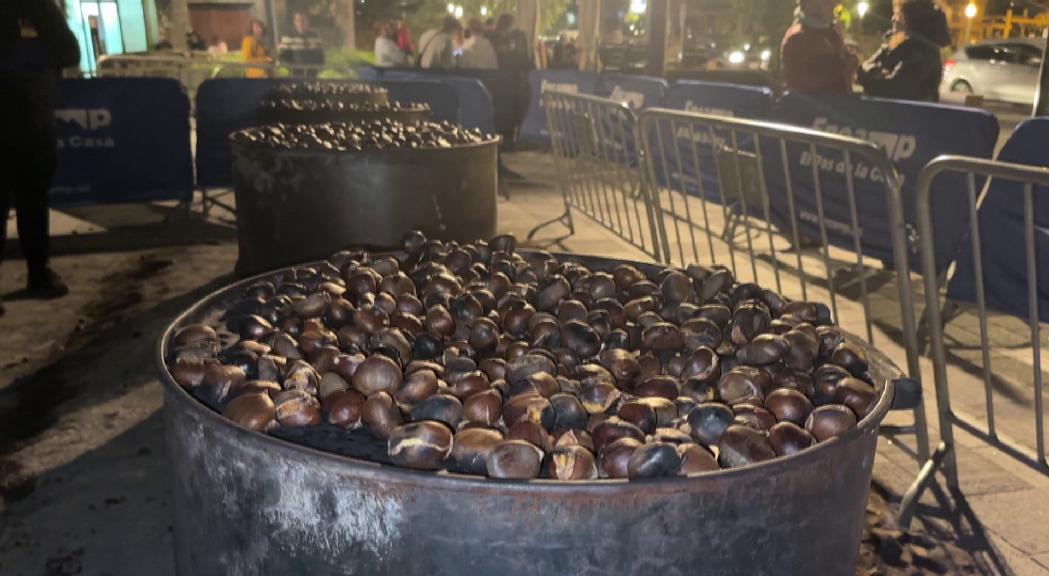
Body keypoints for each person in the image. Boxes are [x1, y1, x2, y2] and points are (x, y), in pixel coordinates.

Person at [1, 0, 81, 314]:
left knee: (33, 199)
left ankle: (39, 272)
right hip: (23, 118)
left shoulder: (40, 8)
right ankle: (39, 273)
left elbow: (69, 52)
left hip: (32, 120)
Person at [858, 0, 944, 102]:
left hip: (910, 114)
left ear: (912, 21)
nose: (893, 19)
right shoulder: (891, 46)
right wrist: (875, 72)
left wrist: (872, 74)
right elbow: (862, 69)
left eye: (899, 15)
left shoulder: (920, 51)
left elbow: (895, 88)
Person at [780, 0, 853, 95]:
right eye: (826, 2)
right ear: (809, 4)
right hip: (811, 108)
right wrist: (842, 66)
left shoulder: (831, 33)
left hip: (837, 105)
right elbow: (803, 83)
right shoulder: (797, 38)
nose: (832, 5)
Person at [492, 14, 532, 147]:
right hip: (513, 79)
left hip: (509, 79)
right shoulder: (517, 37)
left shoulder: (515, 37)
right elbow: (524, 58)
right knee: (511, 110)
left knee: (509, 110)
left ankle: (508, 138)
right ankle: (509, 138)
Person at [278, 12, 325, 78]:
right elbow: (283, 56)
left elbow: (320, 54)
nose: (301, 23)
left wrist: (320, 66)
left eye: (303, 20)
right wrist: (290, 67)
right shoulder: (288, 36)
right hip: (295, 73)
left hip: (312, 73)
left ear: (308, 21)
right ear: (294, 22)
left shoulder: (315, 36)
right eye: (298, 20)